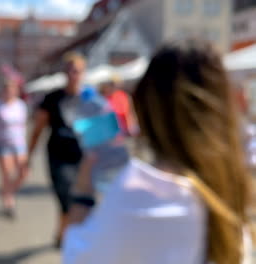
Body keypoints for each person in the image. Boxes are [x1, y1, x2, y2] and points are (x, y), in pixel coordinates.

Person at [63, 39, 253, 264]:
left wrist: (83, 192)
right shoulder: (234, 189)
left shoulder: (139, 192)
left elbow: (77, 257)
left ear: (145, 106)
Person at [28, 52, 85, 248]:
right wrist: (28, 156)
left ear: (83, 73)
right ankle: (68, 237)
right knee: (66, 197)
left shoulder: (89, 98)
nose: (73, 74)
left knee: (81, 200)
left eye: (76, 71)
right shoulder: (53, 98)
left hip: (83, 157)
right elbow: (38, 129)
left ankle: (62, 234)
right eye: (69, 70)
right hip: (58, 156)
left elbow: (101, 130)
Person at [0, 78, 29, 218]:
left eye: (13, 90)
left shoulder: (21, 105)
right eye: (7, 90)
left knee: (23, 172)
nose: (10, 92)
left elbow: (24, 125)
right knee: (7, 174)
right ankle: (9, 202)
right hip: (2, 143)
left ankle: (9, 191)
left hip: (19, 143)